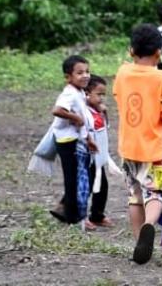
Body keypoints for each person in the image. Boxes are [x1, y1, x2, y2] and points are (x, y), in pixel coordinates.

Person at [113, 24, 162, 264]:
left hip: (127, 147)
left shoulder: (122, 73)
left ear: (131, 50)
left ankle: (137, 241)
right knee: (156, 195)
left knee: (134, 196)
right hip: (153, 149)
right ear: (159, 52)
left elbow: (118, 97)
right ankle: (148, 227)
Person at [49, 55, 97, 225]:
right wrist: (75, 118)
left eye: (87, 71)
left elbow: (84, 118)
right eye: (80, 73)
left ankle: (67, 208)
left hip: (78, 140)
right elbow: (57, 110)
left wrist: (89, 138)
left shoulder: (79, 92)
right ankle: (73, 217)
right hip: (68, 142)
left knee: (81, 177)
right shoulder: (69, 92)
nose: (85, 76)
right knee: (74, 179)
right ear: (68, 77)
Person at [83, 74, 116, 230]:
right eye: (99, 94)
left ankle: (97, 215)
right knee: (86, 187)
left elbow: (103, 129)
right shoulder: (83, 111)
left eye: (103, 95)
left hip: (98, 159)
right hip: (86, 157)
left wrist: (104, 113)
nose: (102, 98)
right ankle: (80, 217)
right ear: (86, 93)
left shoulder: (97, 111)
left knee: (102, 186)